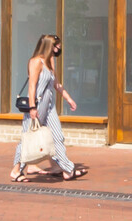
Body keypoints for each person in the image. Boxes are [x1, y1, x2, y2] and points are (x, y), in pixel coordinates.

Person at [12, 33, 87, 182]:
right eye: (56, 46)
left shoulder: (49, 62)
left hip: (50, 106)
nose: (59, 48)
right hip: (37, 105)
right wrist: (32, 107)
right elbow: (32, 86)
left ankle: (67, 169)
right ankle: (16, 170)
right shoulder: (35, 62)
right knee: (28, 139)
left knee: (58, 136)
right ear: (49, 46)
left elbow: (56, 84)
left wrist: (69, 98)